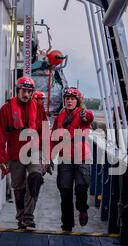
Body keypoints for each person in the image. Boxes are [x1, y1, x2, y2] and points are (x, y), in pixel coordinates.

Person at [0, 77, 45, 229]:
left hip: (33, 151)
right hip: (14, 153)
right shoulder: (6, 109)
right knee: (18, 188)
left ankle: (28, 217)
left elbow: (44, 131)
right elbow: (1, 135)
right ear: (18, 90)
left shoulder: (38, 108)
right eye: (24, 91)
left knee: (35, 178)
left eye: (30, 91)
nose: (27, 94)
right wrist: (1, 159)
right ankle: (21, 216)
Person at [52, 87, 94, 231]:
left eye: (72, 99)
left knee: (82, 188)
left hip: (81, 158)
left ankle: (82, 209)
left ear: (78, 101)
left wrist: (84, 112)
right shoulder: (59, 117)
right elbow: (53, 138)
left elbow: (89, 117)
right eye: (67, 99)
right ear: (64, 101)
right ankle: (67, 224)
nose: (69, 101)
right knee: (65, 192)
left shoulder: (82, 114)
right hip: (65, 158)